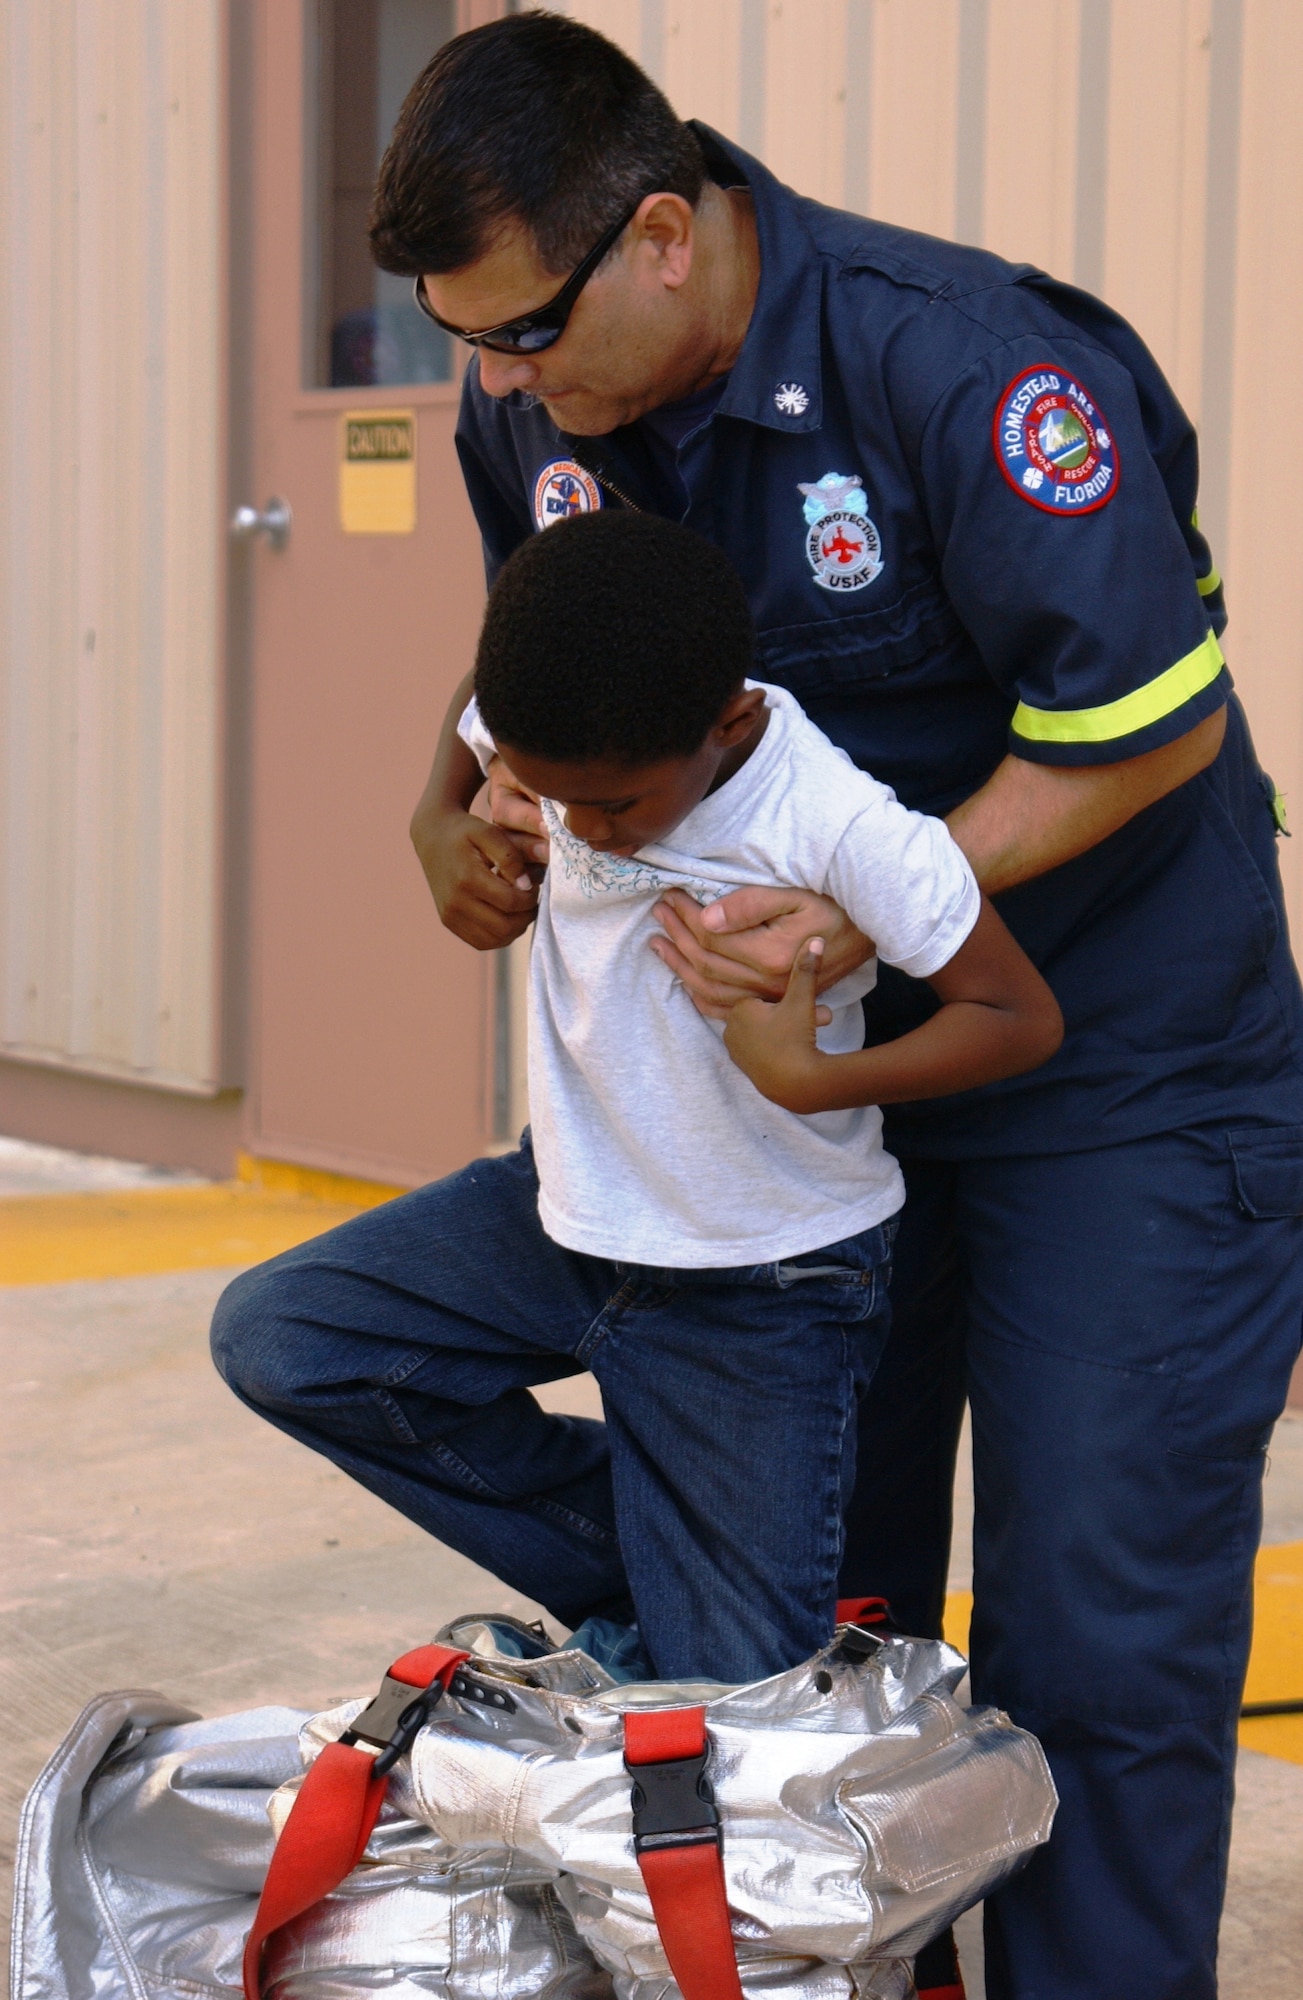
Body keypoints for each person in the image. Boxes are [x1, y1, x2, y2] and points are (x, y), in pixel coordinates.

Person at [357, 16, 1303, 1998]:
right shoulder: (531, 417)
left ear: (671, 238)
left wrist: (862, 912)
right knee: (816, 1626)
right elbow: (536, 668)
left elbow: (1142, 728)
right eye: (466, 338)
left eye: (522, 328)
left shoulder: (967, 368)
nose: (494, 383)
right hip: (798, 1074)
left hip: (1110, 1058)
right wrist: (450, 817)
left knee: (1091, 1632)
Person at [212, 508, 1060, 1690]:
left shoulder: (839, 822)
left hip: (762, 1282)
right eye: (544, 788)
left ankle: (696, 1600)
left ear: (728, 722)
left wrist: (815, 1075)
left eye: (610, 807)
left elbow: (1018, 1015)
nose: (573, 823)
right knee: (284, 1337)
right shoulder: (569, 719)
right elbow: (479, 689)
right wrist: (437, 812)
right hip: (563, 1209)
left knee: (736, 1718)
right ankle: (668, 1575)